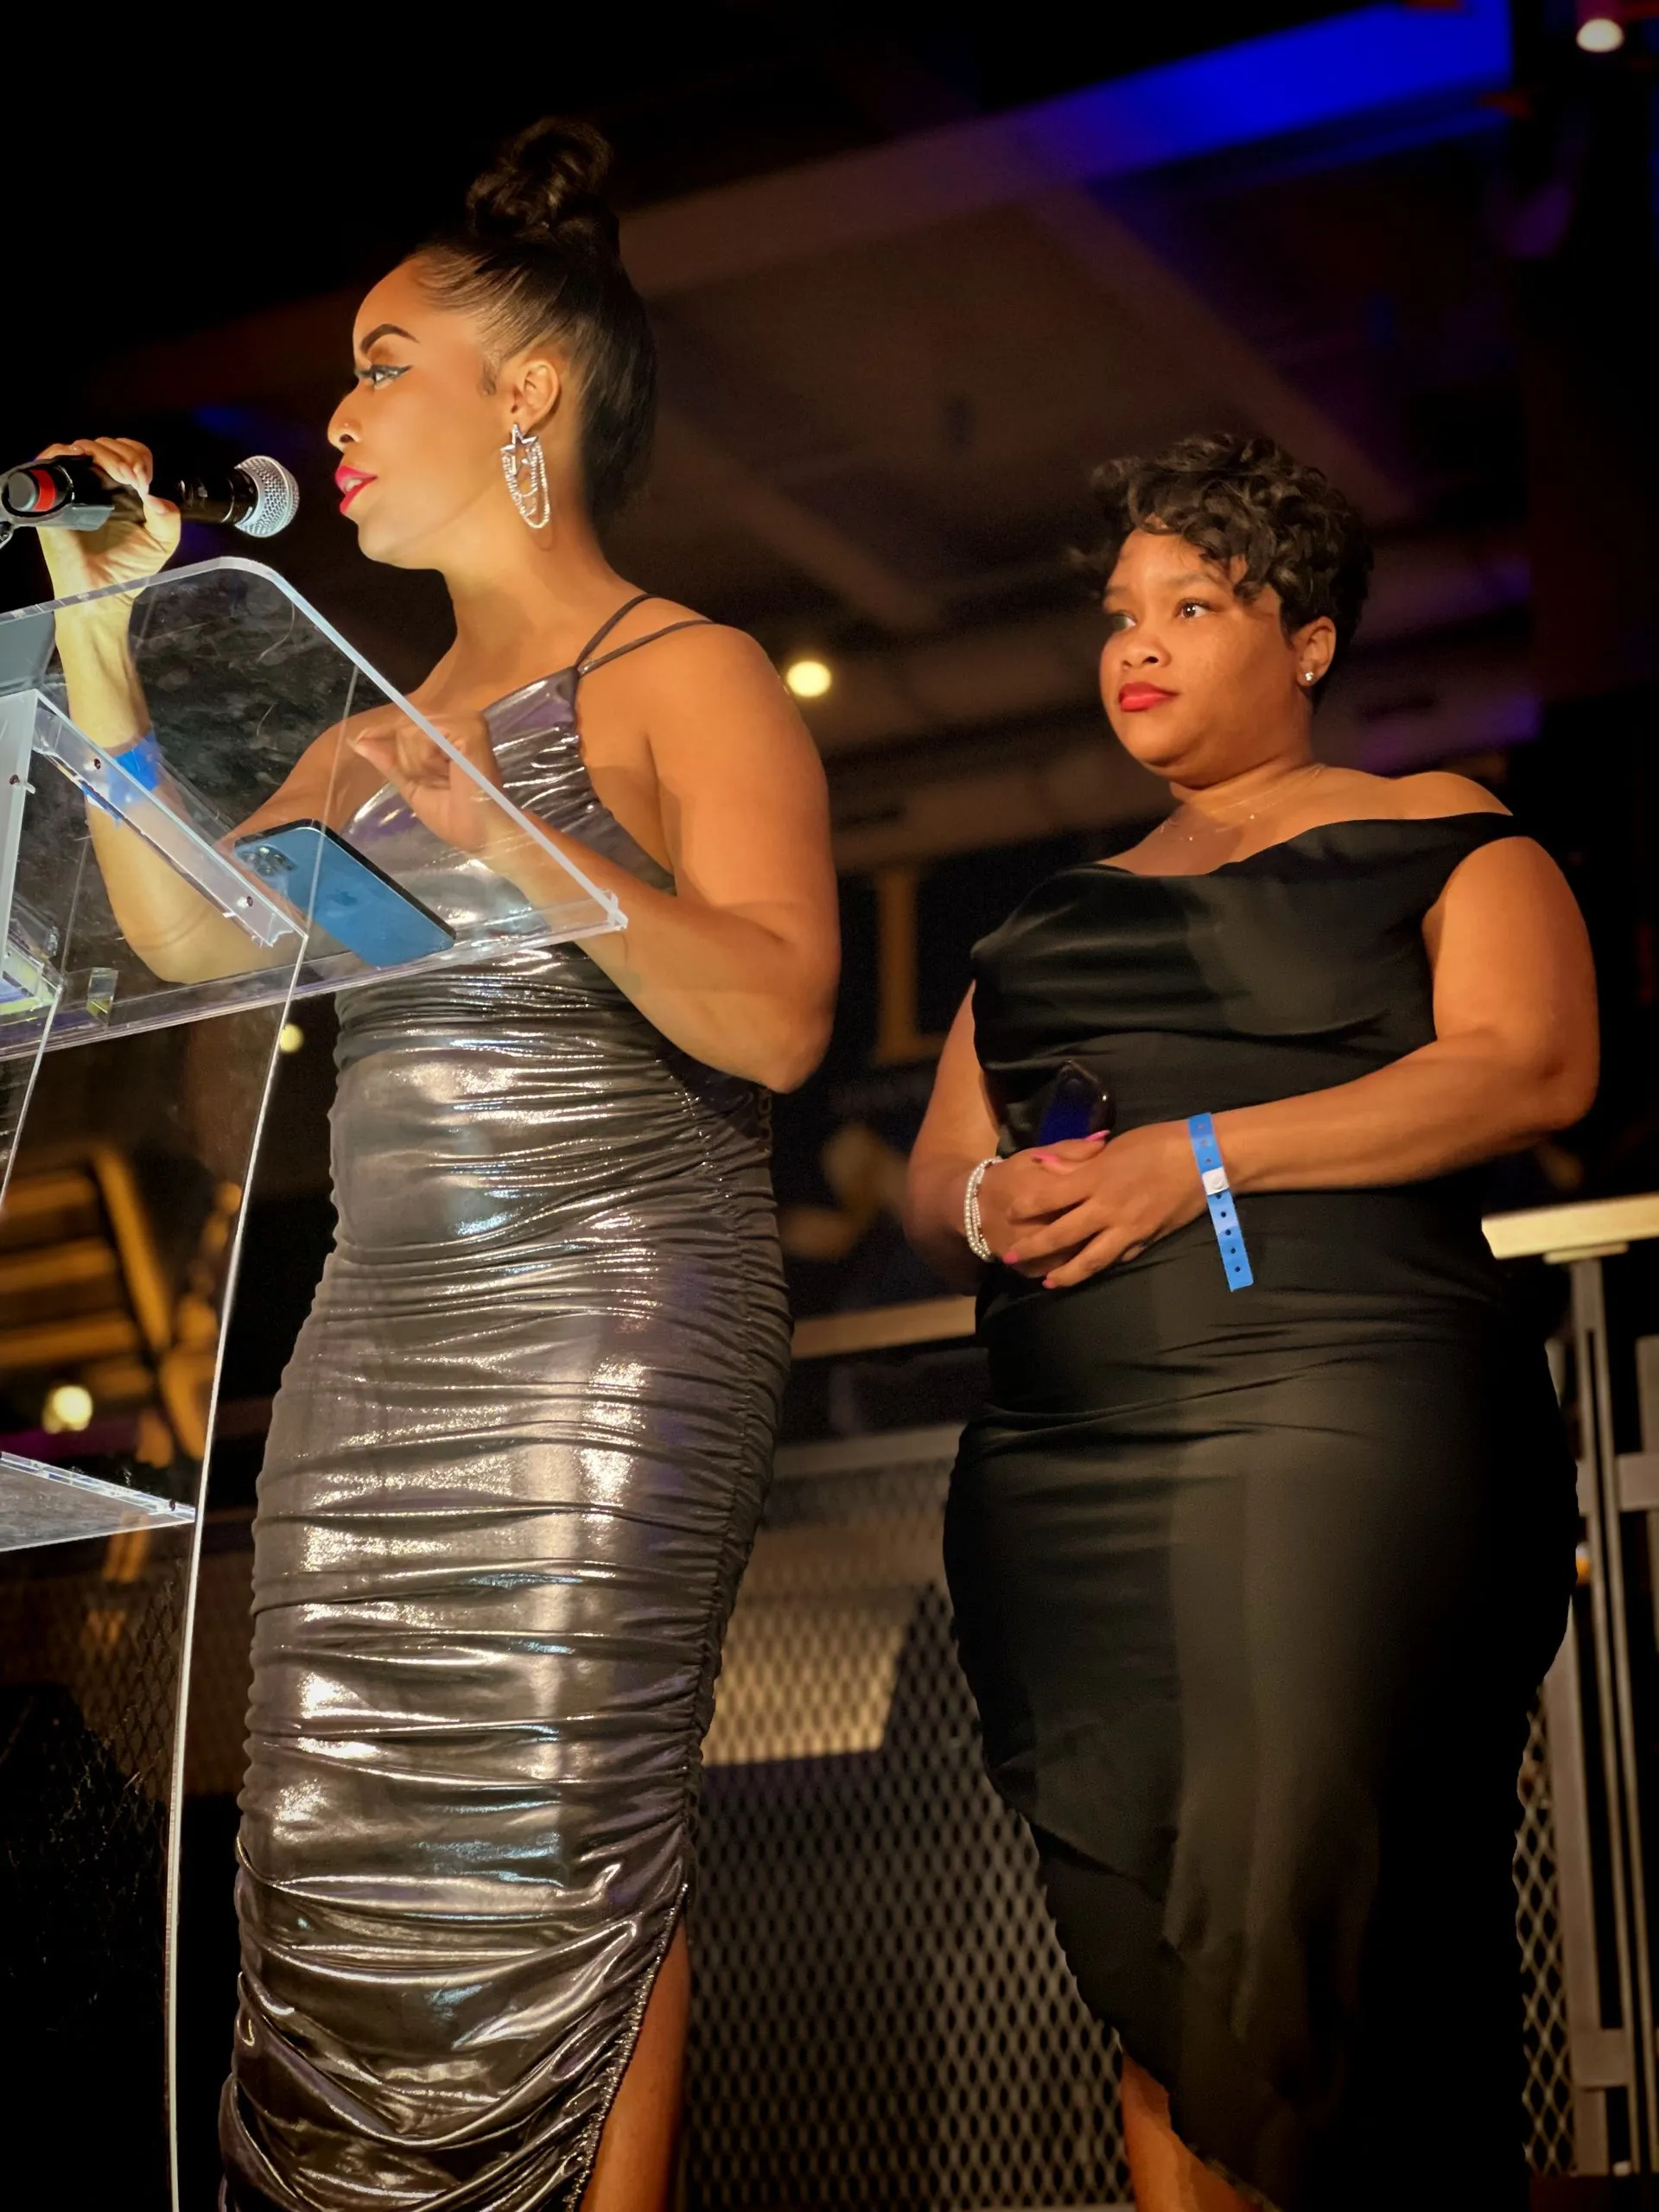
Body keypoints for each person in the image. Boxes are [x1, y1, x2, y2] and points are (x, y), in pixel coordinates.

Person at [36, 118, 838, 2212]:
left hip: (606, 1324)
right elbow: (181, 936)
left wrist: (514, 836)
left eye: (383, 366)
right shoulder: (361, 727)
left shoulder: (684, 670)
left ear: (529, 394)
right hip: (375, 1348)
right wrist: (103, 625)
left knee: (568, 1828)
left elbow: (775, 1015)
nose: (337, 415)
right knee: (339, 1849)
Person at [904, 432, 1592, 2212]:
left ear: (1309, 640)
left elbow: (1529, 1064)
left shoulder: (1436, 828)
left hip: (1339, 1416)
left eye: (1194, 605)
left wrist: (1197, 1155)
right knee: (1155, 1946)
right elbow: (940, 1169)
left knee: (1299, 1904)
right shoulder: (1048, 919)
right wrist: (988, 1204)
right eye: (1120, 611)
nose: (1137, 641)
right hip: (1065, 1465)